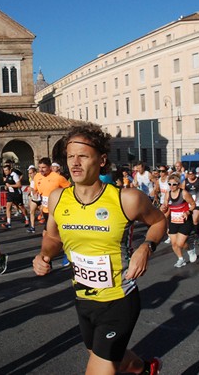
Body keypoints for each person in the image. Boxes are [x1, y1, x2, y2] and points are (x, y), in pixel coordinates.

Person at [33, 124, 167, 375]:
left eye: (83, 156)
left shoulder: (126, 199)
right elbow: (53, 237)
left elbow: (159, 221)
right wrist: (44, 256)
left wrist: (146, 247)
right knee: (107, 356)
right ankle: (144, 369)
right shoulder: (58, 198)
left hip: (119, 300)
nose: (75, 162)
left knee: (99, 368)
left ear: (102, 160)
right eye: (71, 156)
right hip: (83, 299)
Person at [33, 157, 71, 266]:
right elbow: (36, 189)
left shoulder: (58, 178)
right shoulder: (37, 177)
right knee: (47, 234)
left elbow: (69, 190)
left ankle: (62, 256)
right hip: (45, 210)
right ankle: (48, 258)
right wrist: (35, 193)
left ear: (50, 167)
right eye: (39, 167)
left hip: (57, 210)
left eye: (44, 167)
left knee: (52, 234)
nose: (41, 170)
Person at [161, 173, 197, 267]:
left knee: (180, 243)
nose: (171, 186)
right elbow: (165, 206)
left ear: (178, 184)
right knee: (174, 244)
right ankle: (181, 259)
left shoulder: (183, 193)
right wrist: (163, 209)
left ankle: (190, 249)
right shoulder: (167, 194)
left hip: (185, 221)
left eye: (174, 184)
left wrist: (188, 212)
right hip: (174, 220)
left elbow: (193, 204)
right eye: (169, 184)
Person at [1, 164, 30, 229]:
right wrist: (6, 186)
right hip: (10, 193)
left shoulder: (14, 175)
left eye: (6, 170)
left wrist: (10, 186)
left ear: (10, 170)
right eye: (4, 170)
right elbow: (7, 183)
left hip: (17, 193)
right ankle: (8, 223)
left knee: (21, 207)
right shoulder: (7, 175)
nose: (5, 172)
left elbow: (19, 185)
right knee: (8, 207)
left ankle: (26, 218)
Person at [27, 165, 43, 233]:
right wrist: (30, 194)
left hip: (41, 199)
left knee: (46, 213)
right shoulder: (31, 180)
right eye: (29, 173)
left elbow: (42, 188)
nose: (30, 175)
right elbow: (31, 189)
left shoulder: (39, 179)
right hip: (34, 199)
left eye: (31, 173)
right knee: (31, 212)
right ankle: (32, 227)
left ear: (35, 172)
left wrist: (33, 190)